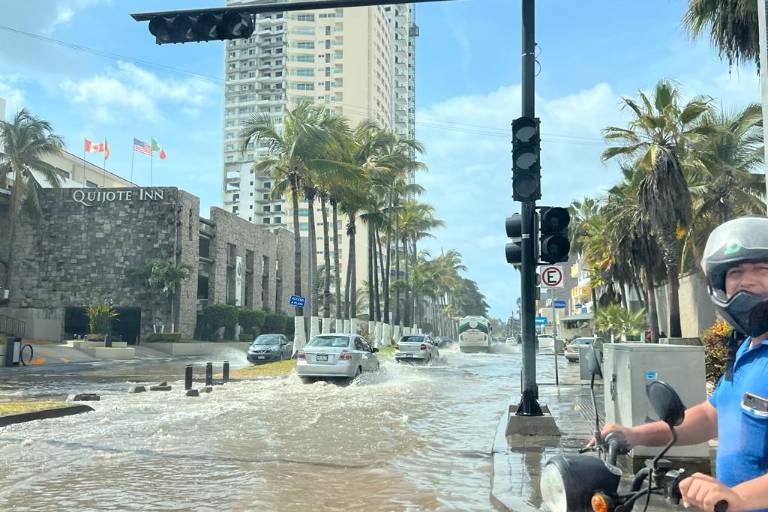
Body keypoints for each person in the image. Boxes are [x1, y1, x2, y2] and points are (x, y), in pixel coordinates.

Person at [598, 217, 768, 512]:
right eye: (736, 272)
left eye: (762, 269)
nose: (746, 280)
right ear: (720, 284)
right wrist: (635, 434)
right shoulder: (744, 349)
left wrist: (740, 497)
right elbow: (710, 416)